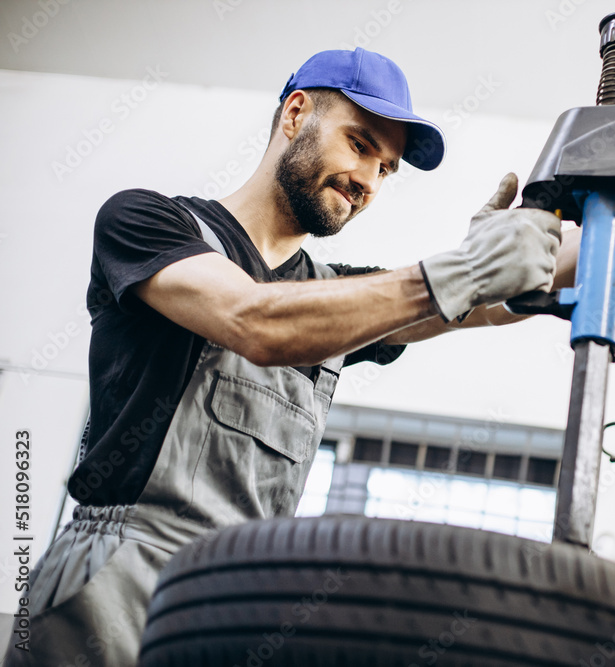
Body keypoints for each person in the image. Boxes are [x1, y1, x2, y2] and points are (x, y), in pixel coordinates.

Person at [4, 47, 576, 666]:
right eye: (359, 145)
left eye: (386, 169)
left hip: (234, 604)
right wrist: (463, 271)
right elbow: (253, 321)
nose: (368, 182)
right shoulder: (148, 222)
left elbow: (483, 302)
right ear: (295, 114)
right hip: (116, 584)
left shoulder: (337, 293)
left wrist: (603, 222)